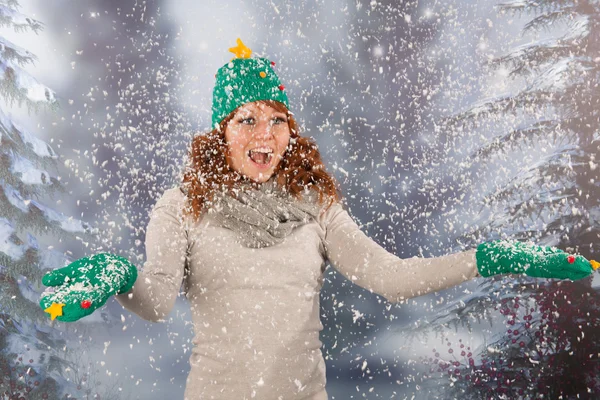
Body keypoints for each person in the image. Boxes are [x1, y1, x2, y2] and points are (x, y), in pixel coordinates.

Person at [39, 38, 599, 400]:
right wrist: (118, 274)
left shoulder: (318, 207)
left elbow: (394, 279)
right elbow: (158, 302)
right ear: (220, 132)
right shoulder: (181, 206)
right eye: (248, 119)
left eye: (278, 119)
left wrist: (489, 257)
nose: (266, 134)